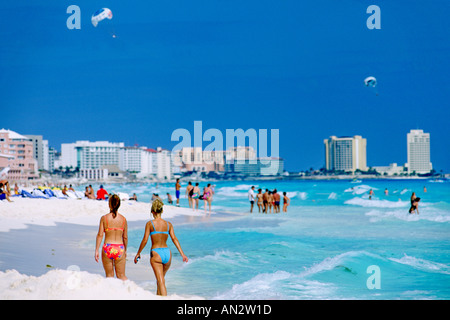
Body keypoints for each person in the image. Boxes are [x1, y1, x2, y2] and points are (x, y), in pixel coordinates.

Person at [134, 199, 188, 296]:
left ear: (152, 211)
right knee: (161, 280)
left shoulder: (150, 224)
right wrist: (182, 254)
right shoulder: (168, 224)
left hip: (156, 253)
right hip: (167, 253)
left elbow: (145, 240)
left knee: (161, 281)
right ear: (162, 211)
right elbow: (174, 239)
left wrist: (138, 253)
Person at [95, 194, 128, 280]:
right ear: (119, 205)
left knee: (109, 276)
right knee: (121, 276)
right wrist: (125, 250)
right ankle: (129, 292)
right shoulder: (123, 219)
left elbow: (100, 235)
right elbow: (125, 237)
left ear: (109, 204)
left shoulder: (104, 218)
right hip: (120, 248)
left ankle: (112, 293)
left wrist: (96, 250)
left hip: (108, 247)